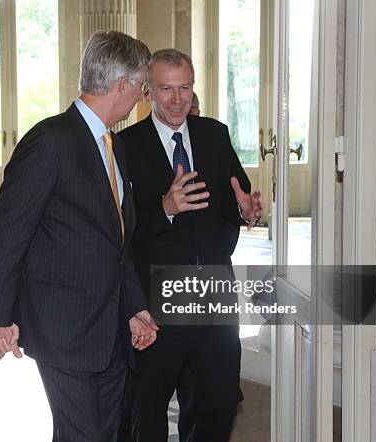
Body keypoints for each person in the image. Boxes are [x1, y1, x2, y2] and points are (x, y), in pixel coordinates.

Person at [0, 30, 158, 441]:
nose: (141, 96)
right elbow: (8, 233)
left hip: (110, 327)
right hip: (64, 328)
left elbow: (118, 242)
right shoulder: (51, 140)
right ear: (122, 85)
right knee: (84, 435)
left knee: (106, 433)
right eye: (142, 87)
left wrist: (134, 307)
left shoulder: (113, 146)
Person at [118, 49, 263, 441]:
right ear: (148, 91)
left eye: (185, 88)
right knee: (147, 408)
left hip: (214, 291)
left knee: (218, 400)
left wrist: (247, 210)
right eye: (167, 89)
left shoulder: (214, 134)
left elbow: (237, 195)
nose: (178, 99)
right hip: (159, 297)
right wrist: (165, 208)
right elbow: (120, 230)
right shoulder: (125, 146)